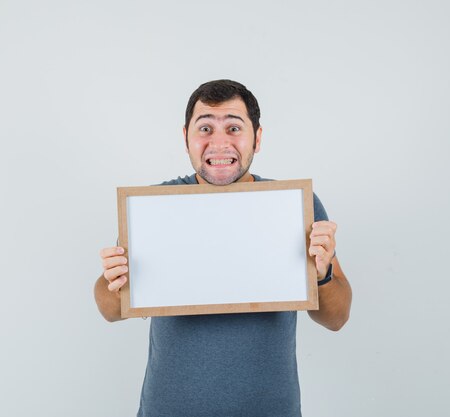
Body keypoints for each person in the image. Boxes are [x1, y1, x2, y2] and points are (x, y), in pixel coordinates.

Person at [94, 79, 352, 417]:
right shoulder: (154, 206)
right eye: (205, 128)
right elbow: (110, 309)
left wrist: (322, 273)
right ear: (186, 137)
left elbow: (337, 318)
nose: (219, 142)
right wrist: (114, 279)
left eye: (233, 127)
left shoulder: (293, 206)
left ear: (257, 138)